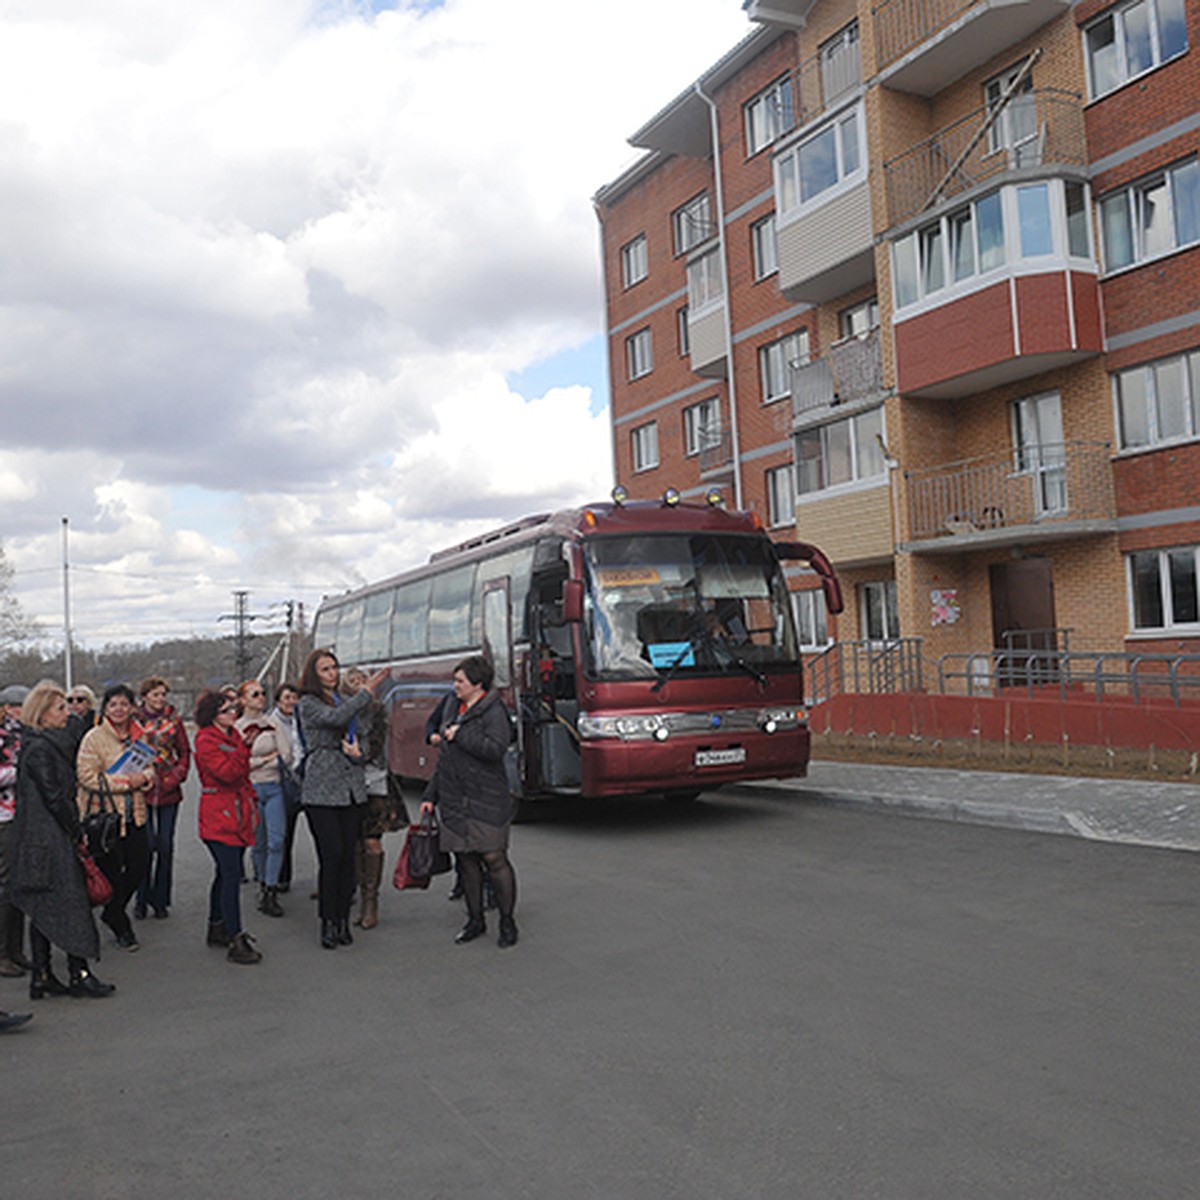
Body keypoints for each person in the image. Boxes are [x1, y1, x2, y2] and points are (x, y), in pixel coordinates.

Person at [11, 682, 114, 1000]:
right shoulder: (43, 748)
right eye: (59, 708)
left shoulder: (40, 744)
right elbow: (55, 797)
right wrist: (75, 829)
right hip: (49, 837)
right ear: (42, 715)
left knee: (44, 905)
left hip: (38, 837)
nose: (67, 713)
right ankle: (79, 973)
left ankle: (42, 975)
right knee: (73, 903)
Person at [420, 655, 519, 948]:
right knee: (466, 860)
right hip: (453, 798)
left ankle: (507, 922)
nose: (455, 686)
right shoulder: (452, 704)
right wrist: (430, 795)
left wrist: (461, 734)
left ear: (478, 684)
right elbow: (446, 757)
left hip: (486, 798)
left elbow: (496, 748)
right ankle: (474, 920)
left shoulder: (493, 710)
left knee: (494, 858)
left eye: (460, 681)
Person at [297, 649, 384, 949]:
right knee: (331, 855)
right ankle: (327, 922)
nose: (332, 674)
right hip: (321, 788)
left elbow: (360, 729)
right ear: (314, 674)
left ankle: (344, 920)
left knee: (349, 856)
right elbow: (335, 719)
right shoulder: (308, 703)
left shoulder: (347, 700)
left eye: (335, 668)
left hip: (351, 787)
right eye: (325, 669)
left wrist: (359, 751)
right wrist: (366, 692)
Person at [75, 684, 154, 952]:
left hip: (136, 814)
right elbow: (86, 776)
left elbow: (150, 767)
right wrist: (125, 781)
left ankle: (113, 911)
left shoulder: (139, 735)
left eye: (124, 704)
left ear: (132, 707)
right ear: (105, 708)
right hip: (105, 818)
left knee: (140, 866)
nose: (119, 709)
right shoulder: (94, 737)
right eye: (113, 704)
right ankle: (122, 927)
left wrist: (144, 778)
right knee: (112, 874)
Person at [193, 690, 261, 965]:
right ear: (213, 715)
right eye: (226, 710)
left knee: (224, 873)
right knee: (231, 874)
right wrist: (246, 748)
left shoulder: (231, 735)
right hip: (220, 813)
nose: (233, 713)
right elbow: (228, 773)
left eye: (234, 708)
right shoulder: (206, 738)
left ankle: (217, 926)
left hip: (235, 809)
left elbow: (237, 773)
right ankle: (235, 936)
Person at [342, 667, 404, 930]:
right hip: (349, 783)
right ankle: (360, 896)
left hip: (375, 781)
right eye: (352, 682)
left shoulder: (376, 710)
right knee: (355, 843)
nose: (357, 685)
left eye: (361, 681)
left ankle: (371, 901)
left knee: (371, 843)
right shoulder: (341, 710)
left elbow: (376, 746)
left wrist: (358, 754)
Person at [131, 677, 191, 921]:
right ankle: (141, 898)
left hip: (168, 788)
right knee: (145, 846)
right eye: (155, 695)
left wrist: (178, 775)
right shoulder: (134, 721)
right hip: (142, 788)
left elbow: (185, 751)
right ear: (145, 696)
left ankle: (161, 899)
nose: (160, 699)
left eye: (163, 694)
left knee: (165, 845)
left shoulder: (173, 720)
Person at [235, 680, 291, 918]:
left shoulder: (272, 723)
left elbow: (286, 755)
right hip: (251, 788)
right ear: (243, 700)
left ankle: (271, 888)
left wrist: (262, 761)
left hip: (274, 786)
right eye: (254, 694)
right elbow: (238, 763)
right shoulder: (237, 728)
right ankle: (261, 882)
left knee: (277, 840)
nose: (260, 697)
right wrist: (264, 759)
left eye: (263, 693)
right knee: (258, 842)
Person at [0, 683, 30, 976]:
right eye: (22, 705)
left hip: (22, 814)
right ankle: (3, 953)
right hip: (4, 817)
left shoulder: (26, 734)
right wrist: (23, 771)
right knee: (7, 884)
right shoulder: (3, 736)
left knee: (19, 884)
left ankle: (17, 949)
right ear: (8, 708)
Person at [270, 683, 304, 893]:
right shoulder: (270, 723)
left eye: (294, 697)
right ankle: (282, 878)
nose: (291, 702)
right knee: (284, 834)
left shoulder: (304, 719)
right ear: (278, 701)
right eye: (287, 698)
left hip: (306, 781)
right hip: (283, 782)